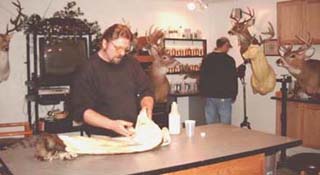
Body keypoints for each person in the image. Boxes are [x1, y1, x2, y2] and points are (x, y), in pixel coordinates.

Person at [71, 24, 154, 137]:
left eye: (126, 49)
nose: (122, 53)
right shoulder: (87, 69)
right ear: (104, 43)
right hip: (101, 139)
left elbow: (146, 90)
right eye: (117, 48)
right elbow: (82, 111)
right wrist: (112, 125)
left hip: (132, 134)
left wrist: (147, 108)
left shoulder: (131, 63)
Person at [199, 37, 238, 125]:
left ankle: (211, 139)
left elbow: (202, 77)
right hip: (225, 96)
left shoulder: (207, 58)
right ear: (225, 45)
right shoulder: (229, 60)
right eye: (228, 47)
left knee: (210, 124)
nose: (228, 49)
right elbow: (233, 79)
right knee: (225, 126)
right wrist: (234, 94)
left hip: (210, 96)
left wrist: (202, 92)